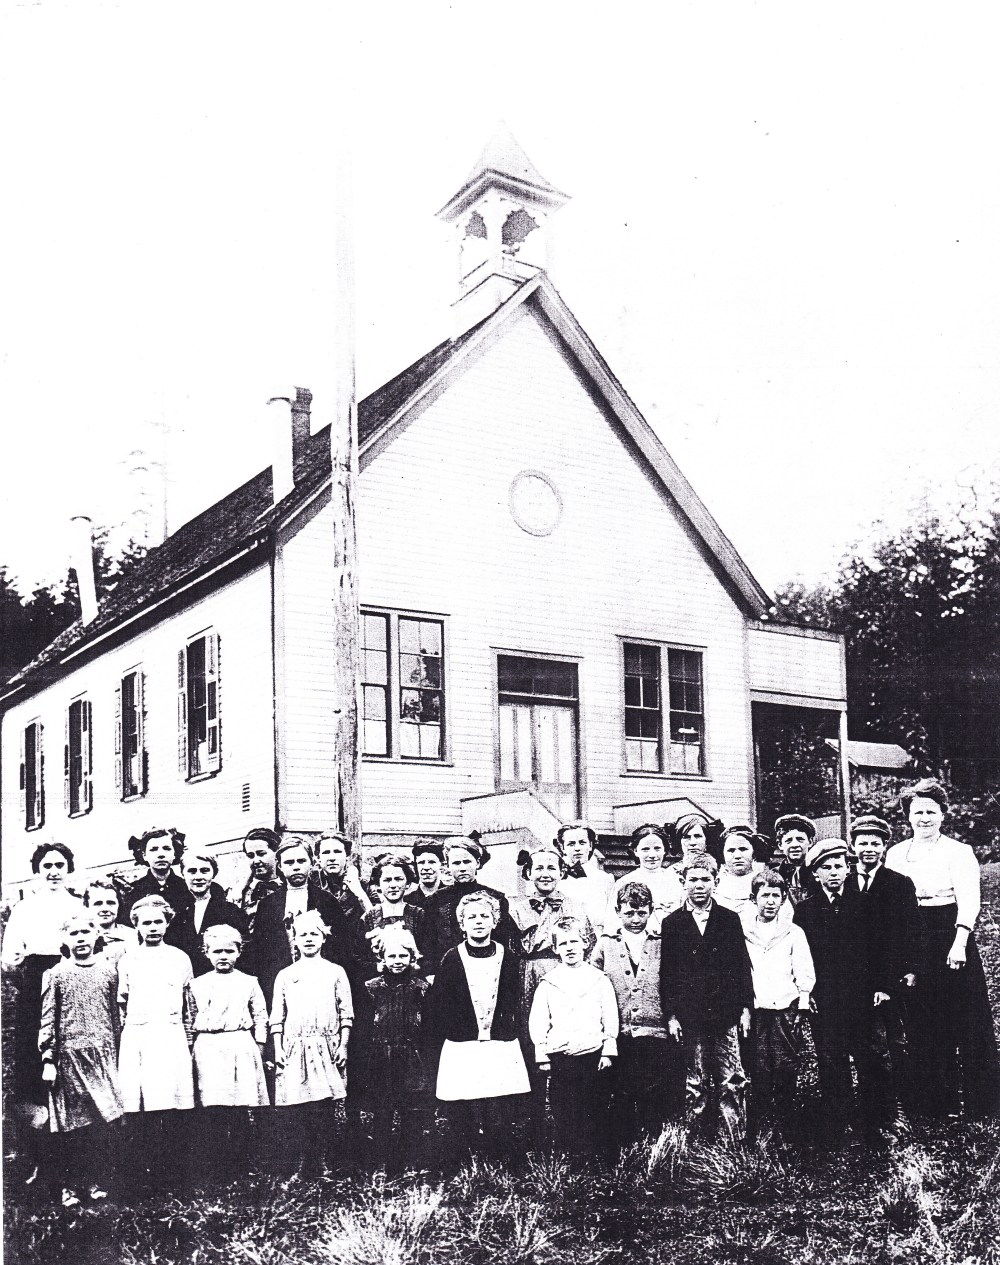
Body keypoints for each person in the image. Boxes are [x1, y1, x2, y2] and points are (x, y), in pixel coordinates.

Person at [885, 779, 999, 1119]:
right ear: (907, 815)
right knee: (925, 1018)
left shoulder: (958, 851)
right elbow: (891, 903)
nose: (924, 818)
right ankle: (935, 1103)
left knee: (969, 1016)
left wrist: (960, 942)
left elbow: (969, 900)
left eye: (931, 812)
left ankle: (984, 1103)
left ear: (942, 814)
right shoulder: (895, 853)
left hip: (950, 932)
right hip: (913, 936)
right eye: (917, 811)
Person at [794, 839, 896, 1149]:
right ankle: (836, 1128)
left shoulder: (865, 904)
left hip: (863, 998)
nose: (834, 872)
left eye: (839, 866)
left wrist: (882, 985)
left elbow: (881, 948)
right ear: (815, 873)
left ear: (848, 869)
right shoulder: (806, 911)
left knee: (871, 1059)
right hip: (825, 1000)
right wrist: (806, 991)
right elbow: (800, 955)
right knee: (831, 1061)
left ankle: (875, 1125)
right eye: (826, 867)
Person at [426, 891, 529, 1164]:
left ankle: (498, 1156)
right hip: (463, 1041)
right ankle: (466, 1156)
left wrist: (506, 1029)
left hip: (499, 1041)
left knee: (497, 1103)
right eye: (471, 917)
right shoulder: (452, 957)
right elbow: (441, 1003)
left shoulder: (508, 957)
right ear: (462, 924)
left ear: (495, 921)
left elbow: (514, 998)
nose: (479, 922)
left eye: (485, 916)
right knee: (465, 1102)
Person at [659, 854, 753, 1140]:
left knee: (731, 1078)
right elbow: (669, 973)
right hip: (690, 1016)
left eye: (705, 880)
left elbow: (741, 966)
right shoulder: (673, 923)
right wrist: (672, 1015)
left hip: (725, 1013)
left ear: (716, 881)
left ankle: (732, 1140)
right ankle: (693, 1139)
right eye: (693, 880)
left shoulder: (728, 919)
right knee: (694, 1080)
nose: (699, 885)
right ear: (683, 882)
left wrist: (745, 1008)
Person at [508, 844, 595, 1143]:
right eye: (539, 868)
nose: (545, 874)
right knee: (530, 1041)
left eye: (552, 868)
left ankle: (567, 1124)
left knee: (564, 1039)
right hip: (526, 977)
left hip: (563, 976)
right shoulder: (514, 907)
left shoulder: (576, 905)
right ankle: (530, 1124)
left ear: (561, 873)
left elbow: (589, 943)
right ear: (529, 873)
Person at [39, 912, 125, 1207]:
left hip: (103, 1056)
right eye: (73, 934)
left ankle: (96, 1182)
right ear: (64, 939)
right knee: (71, 1126)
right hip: (69, 1059)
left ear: (96, 936)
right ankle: (70, 1187)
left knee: (102, 1122)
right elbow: (48, 1019)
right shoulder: (56, 974)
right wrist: (49, 1059)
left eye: (86, 933)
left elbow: (115, 1016)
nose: (81, 939)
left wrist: (118, 1052)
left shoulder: (109, 971)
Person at [592, 881, 682, 1149]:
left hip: (655, 1032)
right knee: (621, 1091)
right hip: (620, 1033)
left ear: (651, 911)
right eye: (628, 913)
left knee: (654, 1091)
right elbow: (593, 981)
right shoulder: (606, 944)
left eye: (641, 913)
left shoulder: (662, 943)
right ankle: (624, 1146)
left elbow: (675, 981)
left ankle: (654, 1146)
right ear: (618, 911)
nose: (635, 919)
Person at [2, 843, 84, 1131]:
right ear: (37, 870)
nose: (53, 872)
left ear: (68, 869)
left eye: (59, 865)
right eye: (47, 866)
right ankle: (38, 1130)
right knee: (33, 1049)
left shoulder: (78, 906)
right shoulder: (25, 908)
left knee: (70, 1044)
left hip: (72, 976)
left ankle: (74, 1126)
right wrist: (29, 980)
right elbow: (10, 960)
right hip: (36, 981)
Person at [117, 895, 196, 1189]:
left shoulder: (179, 958)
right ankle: (145, 1174)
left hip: (171, 1033)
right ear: (136, 925)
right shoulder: (129, 960)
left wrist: (187, 1037)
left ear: (167, 923)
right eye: (145, 922)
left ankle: (174, 1173)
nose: (152, 927)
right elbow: (122, 1004)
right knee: (144, 1103)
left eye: (157, 921)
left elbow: (189, 1003)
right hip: (139, 1034)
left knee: (172, 1102)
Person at [269, 910, 354, 1180]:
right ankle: (300, 1164)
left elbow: (346, 1013)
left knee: (324, 1108)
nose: (308, 939)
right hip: (295, 1048)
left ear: (323, 938)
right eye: (302, 934)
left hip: (326, 1047)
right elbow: (277, 1016)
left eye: (313, 934)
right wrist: (279, 1047)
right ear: (294, 939)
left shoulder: (335, 972)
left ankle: (324, 1163)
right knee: (298, 1109)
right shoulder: (285, 975)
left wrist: (343, 1045)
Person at [529, 916, 618, 1156]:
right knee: (564, 1105)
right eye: (564, 943)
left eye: (575, 941)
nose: (570, 948)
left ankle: (593, 1153)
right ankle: (569, 1151)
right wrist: (543, 1054)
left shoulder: (599, 980)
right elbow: (539, 1020)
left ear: (585, 944)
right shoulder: (549, 983)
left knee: (594, 1103)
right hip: (562, 1056)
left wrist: (608, 1050)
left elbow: (609, 1016)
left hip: (592, 1054)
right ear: (556, 949)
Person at [189, 925, 269, 1182]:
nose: (223, 956)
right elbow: (188, 1017)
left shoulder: (249, 982)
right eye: (217, 951)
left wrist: (259, 1046)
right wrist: (191, 1047)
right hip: (209, 1047)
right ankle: (216, 1165)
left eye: (229, 951)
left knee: (238, 1108)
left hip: (239, 1044)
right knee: (213, 1108)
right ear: (206, 953)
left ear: (238, 952)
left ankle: (241, 1163)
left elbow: (261, 1017)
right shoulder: (197, 984)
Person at [740, 869, 814, 1143]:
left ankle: (786, 1127)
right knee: (759, 1067)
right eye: (764, 896)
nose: (770, 901)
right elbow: (740, 971)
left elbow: (804, 969)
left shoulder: (793, 932)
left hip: (786, 1008)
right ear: (753, 899)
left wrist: (802, 1000)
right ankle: (759, 1126)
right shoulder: (744, 932)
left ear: (784, 900)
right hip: (757, 1010)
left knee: (785, 1065)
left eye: (776, 896)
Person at [850, 814, 918, 1112]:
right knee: (865, 1043)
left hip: (891, 978)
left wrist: (893, 981)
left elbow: (910, 933)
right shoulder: (844, 881)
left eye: (875, 843)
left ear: (884, 847)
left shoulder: (899, 884)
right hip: (856, 981)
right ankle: (871, 1103)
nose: (868, 849)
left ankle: (900, 1104)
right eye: (862, 843)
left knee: (896, 1042)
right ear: (853, 846)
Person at [356, 926, 433, 1173]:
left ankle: (411, 1161)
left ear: (412, 957)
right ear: (382, 958)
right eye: (392, 956)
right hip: (381, 1057)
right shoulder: (371, 988)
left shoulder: (421, 988)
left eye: (403, 956)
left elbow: (430, 1026)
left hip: (412, 1057)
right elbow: (365, 1026)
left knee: (412, 1112)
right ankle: (383, 1163)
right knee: (382, 1112)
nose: (397, 961)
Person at [245, 836, 352, 1006]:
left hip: (320, 985)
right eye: (289, 862)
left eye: (301, 861)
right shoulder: (267, 905)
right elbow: (260, 952)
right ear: (279, 865)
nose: (296, 867)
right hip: (280, 985)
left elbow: (342, 949)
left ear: (312, 862)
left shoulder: (327, 901)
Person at [423, 837, 514, 976]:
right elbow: (429, 944)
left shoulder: (496, 898)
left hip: (487, 971)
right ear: (447, 865)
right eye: (456, 863)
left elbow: (503, 941)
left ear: (477, 863)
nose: (462, 868)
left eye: (467, 862)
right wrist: (430, 974)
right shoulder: (435, 901)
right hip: (448, 973)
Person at [172, 852, 248, 976]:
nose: (198, 877)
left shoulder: (231, 911)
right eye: (192, 871)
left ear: (213, 874)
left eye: (204, 871)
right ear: (183, 874)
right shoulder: (177, 913)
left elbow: (244, 954)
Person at [356, 854, 428, 978]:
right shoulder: (368, 918)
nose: (393, 885)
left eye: (398, 879)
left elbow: (430, 955)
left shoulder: (419, 915)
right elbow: (358, 957)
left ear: (407, 883)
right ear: (378, 884)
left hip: (413, 983)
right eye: (387, 880)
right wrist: (376, 967)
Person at [117, 828, 192, 935]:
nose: (161, 854)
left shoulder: (187, 888)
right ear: (144, 855)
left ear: (174, 853)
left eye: (166, 848)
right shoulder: (133, 892)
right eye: (154, 849)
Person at [613, 825, 684, 925]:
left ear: (664, 850)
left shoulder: (677, 881)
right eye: (645, 849)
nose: (652, 855)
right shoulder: (624, 882)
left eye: (657, 848)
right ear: (635, 851)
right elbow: (613, 920)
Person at [557, 821, 615, 936]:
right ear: (563, 848)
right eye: (571, 844)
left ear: (590, 846)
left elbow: (612, 917)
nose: (577, 848)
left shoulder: (605, 879)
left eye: (582, 843)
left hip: (599, 938)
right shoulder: (557, 880)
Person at [233, 827, 284, 934]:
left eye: (261, 854)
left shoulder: (289, 888)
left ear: (277, 854)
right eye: (250, 856)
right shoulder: (238, 893)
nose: (256, 861)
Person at [314, 831, 372, 921]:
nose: (332, 858)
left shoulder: (364, 886)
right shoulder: (310, 884)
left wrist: (359, 893)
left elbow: (378, 923)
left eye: (337, 852)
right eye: (326, 852)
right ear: (318, 858)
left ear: (347, 855)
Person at [715, 827, 767, 916]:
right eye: (731, 850)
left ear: (754, 853)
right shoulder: (714, 884)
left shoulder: (766, 883)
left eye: (743, 849)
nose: (737, 855)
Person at [770, 815, 818, 906]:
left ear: (810, 842)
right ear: (780, 845)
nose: (795, 845)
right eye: (789, 841)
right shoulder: (774, 875)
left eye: (800, 840)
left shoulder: (818, 872)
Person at [83, 880, 134, 964]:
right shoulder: (80, 937)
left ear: (119, 905)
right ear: (87, 907)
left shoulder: (133, 936)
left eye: (111, 903)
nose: (105, 909)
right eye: (98, 903)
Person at [405, 839, 449, 909]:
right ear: (415, 866)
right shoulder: (407, 901)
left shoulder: (451, 896)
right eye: (421, 862)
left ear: (441, 864)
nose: (426, 867)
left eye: (432, 862)